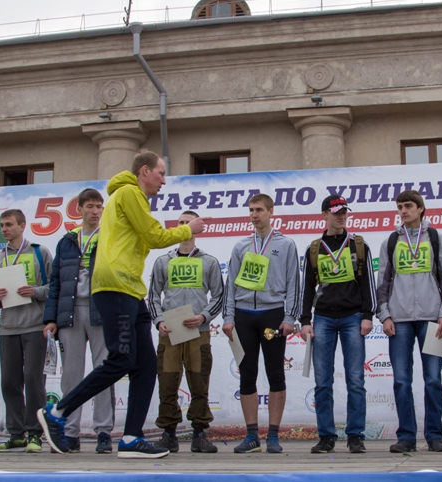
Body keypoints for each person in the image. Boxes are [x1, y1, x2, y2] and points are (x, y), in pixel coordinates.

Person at [39, 151, 204, 459]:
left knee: (145, 365)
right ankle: (58, 412)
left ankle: (130, 437)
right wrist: (188, 229)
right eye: (161, 173)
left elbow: (143, 237)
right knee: (121, 360)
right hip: (115, 285)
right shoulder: (130, 193)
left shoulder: (127, 196)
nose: (164, 180)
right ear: (145, 171)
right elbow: (154, 237)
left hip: (130, 288)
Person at [375, 190, 442, 453]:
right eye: (400, 207)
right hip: (399, 320)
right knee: (401, 380)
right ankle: (407, 436)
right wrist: (385, 315)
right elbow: (383, 281)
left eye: (408, 206)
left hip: (432, 318)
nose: (403, 211)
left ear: (421, 208)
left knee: (433, 379)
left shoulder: (436, 238)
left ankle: (435, 435)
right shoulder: (390, 241)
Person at [222, 193, 300, 454]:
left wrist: (289, 318)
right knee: (247, 374)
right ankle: (252, 435)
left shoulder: (286, 244)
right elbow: (230, 285)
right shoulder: (241, 246)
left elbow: (294, 284)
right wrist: (228, 317)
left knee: (275, 373)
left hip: (272, 316)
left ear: (270, 212)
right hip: (243, 317)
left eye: (259, 210)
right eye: (251, 210)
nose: (254, 215)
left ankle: (274, 436)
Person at [299, 195, 375, 454]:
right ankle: (326, 437)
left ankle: (355, 436)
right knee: (323, 381)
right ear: (324, 215)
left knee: (355, 380)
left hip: (353, 317)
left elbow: (368, 283)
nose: (341, 216)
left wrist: (368, 315)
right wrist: (304, 320)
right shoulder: (314, 248)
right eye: (336, 212)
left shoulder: (358, 245)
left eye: (344, 212)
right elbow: (307, 288)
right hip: (322, 318)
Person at [43, 188, 115, 454]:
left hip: (101, 312)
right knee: (70, 376)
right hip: (70, 313)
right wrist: (51, 318)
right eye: (90, 206)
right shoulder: (67, 241)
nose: (95, 211)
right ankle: (70, 432)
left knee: (103, 372)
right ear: (80, 209)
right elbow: (55, 282)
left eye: (99, 206)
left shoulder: (109, 236)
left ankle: (104, 431)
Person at [148, 211, 224, 454]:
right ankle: (168, 434)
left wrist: (203, 317)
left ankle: (199, 434)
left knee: (199, 382)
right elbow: (153, 296)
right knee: (167, 382)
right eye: (180, 223)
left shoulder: (209, 262)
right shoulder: (163, 261)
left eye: (188, 222)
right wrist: (159, 321)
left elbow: (219, 296)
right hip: (170, 332)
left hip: (198, 331)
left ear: (197, 227)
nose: (184, 226)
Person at [0, 209, 53, 454]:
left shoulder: (40, 252)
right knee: (9, 382)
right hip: (8, 328)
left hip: (35, 325)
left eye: (9, 224)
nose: (4, 229)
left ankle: (35, 433)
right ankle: (16, 435)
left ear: (22, 226)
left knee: (33, 380)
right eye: (2, 226)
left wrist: (35, 291)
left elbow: (54, 288)